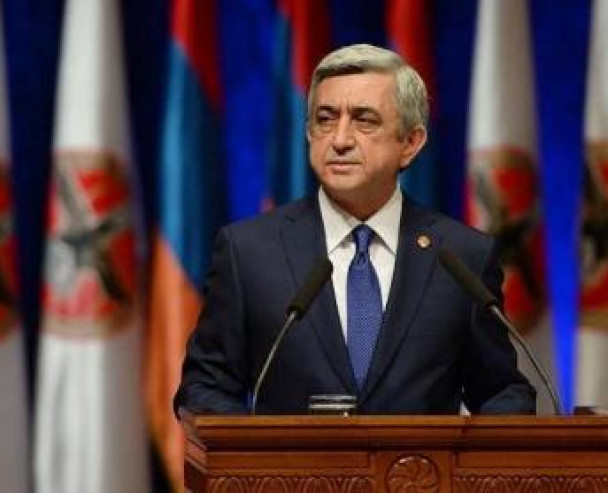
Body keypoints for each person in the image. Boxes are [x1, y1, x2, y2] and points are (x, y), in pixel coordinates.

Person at [174, 44, 535, 415]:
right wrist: (258, 446)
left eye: (365, 120)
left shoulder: (463, 257)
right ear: (309, 132)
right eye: (325, 119)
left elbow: (502, 390)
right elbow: (203, 388)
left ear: (410, 143)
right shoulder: (249, 252)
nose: (340, 140)